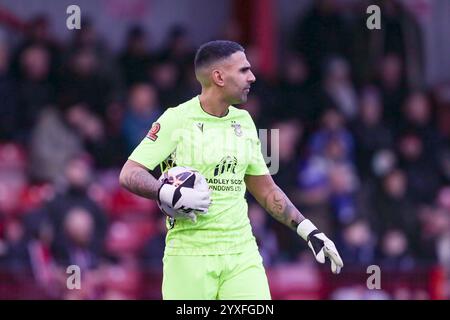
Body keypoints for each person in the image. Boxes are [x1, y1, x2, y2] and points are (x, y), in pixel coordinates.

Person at [119, 40, 343, 300]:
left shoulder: (245, 122)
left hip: (241, 253)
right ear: (219, 77)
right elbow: (129, 173)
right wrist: (165, 191)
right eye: (244, 70)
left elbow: (267, 190)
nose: (253, 76)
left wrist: (307, 229)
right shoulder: (176, 119)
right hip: (189, 255)